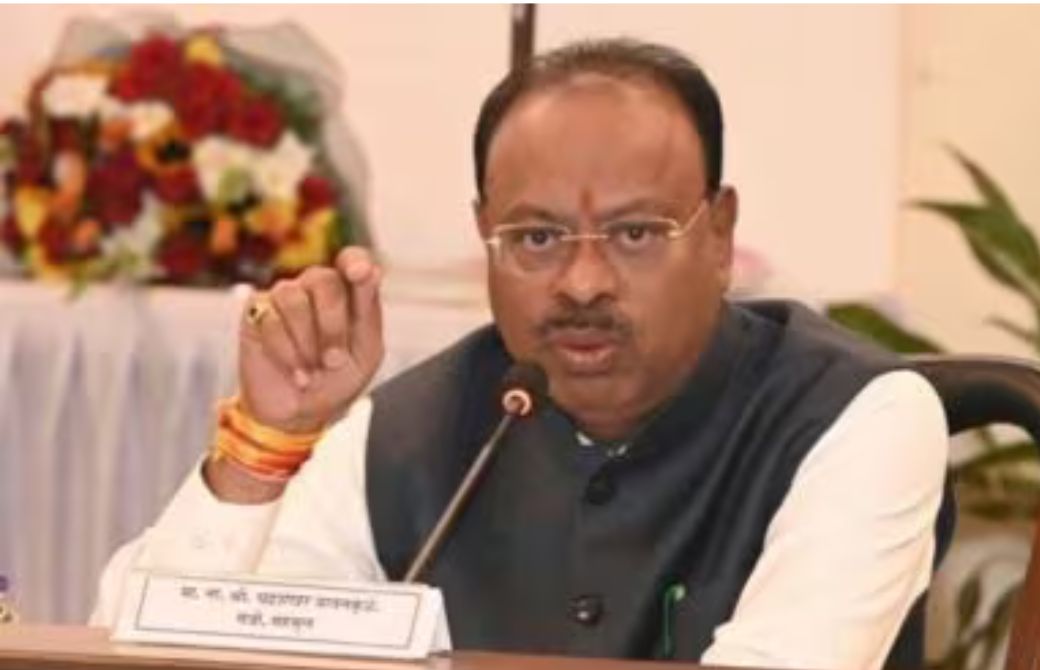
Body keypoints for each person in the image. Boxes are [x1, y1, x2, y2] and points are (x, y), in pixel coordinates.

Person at [92, 38, 949, 670]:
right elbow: (141, 650)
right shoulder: (409, 430)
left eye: (636, 233)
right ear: (485, 238)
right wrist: (263, 449)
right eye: (536, 237)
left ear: (719, 235)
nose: (582, 282)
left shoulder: (855, 418)